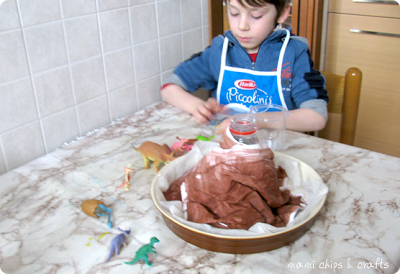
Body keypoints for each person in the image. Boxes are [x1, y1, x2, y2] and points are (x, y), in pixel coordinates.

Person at [160, 0, 328, 132]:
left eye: (256, 16)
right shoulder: (220, 52)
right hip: (226, 148)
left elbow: (316, 117)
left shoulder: (294, 53)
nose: (242, 26)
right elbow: (168, 88)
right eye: (234, 13)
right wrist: (197, 107)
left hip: (275, 148)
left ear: (282, 13)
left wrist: (258, 120)